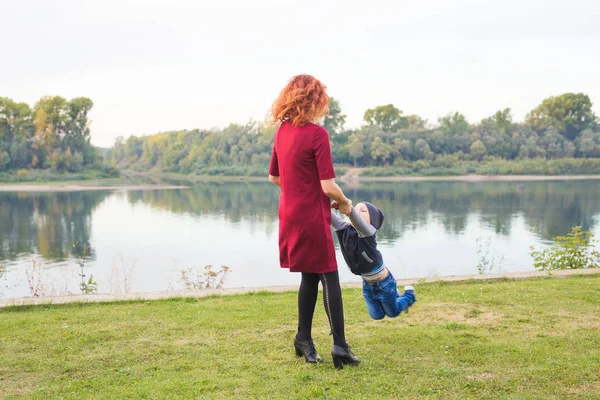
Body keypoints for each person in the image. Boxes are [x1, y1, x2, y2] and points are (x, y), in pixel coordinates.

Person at [268, 74, 359, 369]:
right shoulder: (317, 135)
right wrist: (345, 204)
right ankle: (340, 346)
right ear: (315, 101)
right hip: (310, 215)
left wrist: (297, 191)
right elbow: (329, 186)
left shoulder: (281, 133)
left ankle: (303, 339)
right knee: (329, 275)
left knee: (309, 275)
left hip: (289, 213)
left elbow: (274, 177)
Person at [330, 201, 416, 320]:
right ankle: (395, 294)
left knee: (393, 313)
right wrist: (328, 199)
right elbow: (327, 213)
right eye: (357, 208)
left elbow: (354, 216)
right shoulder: (343, 228)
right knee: (376, 315)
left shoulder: (368, 232)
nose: (357, 211)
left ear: (372, 222)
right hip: (367, 283)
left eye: (363, 210)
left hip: (384, 283)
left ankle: (409, 296)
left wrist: (347, 207)